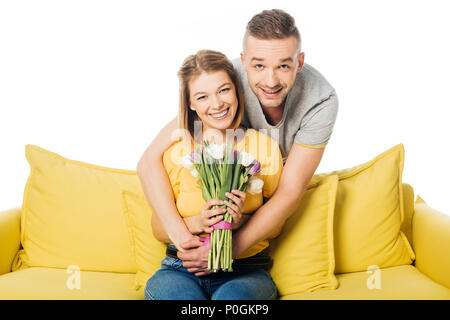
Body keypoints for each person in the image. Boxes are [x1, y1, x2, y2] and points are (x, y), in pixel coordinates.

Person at [137, 9, 338, 276]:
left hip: (265, 181)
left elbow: (288, 193)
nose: (270, 81)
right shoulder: (225, 82)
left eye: (284, 65)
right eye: (258, 66)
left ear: (299, 62)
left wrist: (225, 252)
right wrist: (181, 234)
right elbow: (150, 158)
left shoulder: (320, 101)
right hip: (225, 178)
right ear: (243, 62)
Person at [145, 49, 282, 300]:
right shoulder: (177, 150)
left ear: (236, 91)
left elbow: (276, 224)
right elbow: (157, 227)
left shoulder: (264, 147)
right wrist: (199, 222)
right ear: (190, 103)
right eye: (202, 96)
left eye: (224, 90)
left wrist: (237, 220)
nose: (217, 104)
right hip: (180, 270)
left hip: (244, 270)